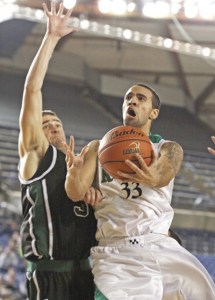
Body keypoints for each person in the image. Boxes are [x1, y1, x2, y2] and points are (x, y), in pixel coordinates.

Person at [64, 83, 215, 299]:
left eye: (141, 98)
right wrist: (73, 174)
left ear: (154, 112)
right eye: (128, 97)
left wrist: (148, 176)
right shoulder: (98, 148)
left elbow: (163, 174)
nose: (132, 101)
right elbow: (75, 193)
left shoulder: (168, 148)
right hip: (118, 250)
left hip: (161, 246)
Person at [18, 2, 100, 299]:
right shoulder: (37, 155)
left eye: (56, 122)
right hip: (50, 273)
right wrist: (51, 38)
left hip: (87, 270)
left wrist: (95, 199)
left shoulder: (83, 163)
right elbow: (32, 92)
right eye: (45, 123)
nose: (52, 126)